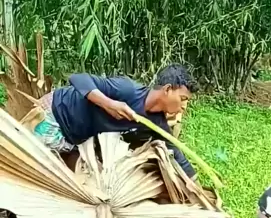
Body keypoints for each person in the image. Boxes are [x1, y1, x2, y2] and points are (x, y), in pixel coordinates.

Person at [26, 64, 198, 177]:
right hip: (53, 116)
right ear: (167, 90)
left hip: (74, 140)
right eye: (183, 98)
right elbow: (78, 78)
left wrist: (199, 192)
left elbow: (177, 155)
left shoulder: (157, 124)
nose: (184, 106)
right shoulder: (128, 90)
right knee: (31, 173)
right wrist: (109, 104)